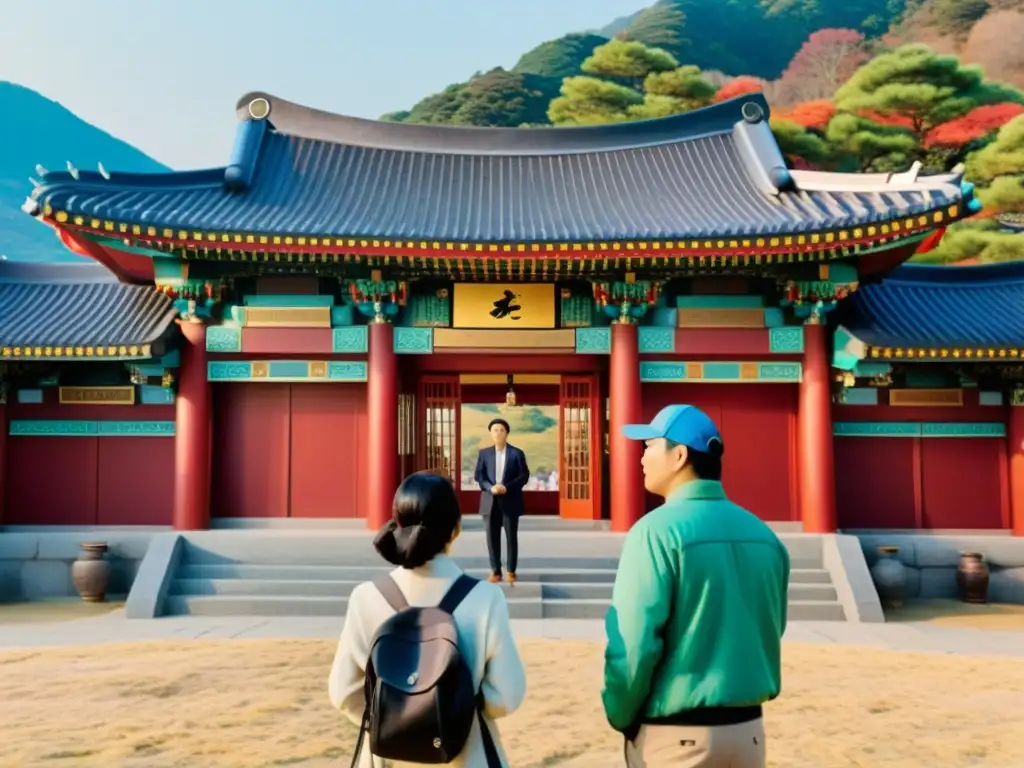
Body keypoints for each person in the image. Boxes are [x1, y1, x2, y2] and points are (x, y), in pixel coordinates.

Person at [602, 405, 790, 768]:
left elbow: (633, 643)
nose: (641, 457)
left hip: (677, 738)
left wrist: (620, 714)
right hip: (749, 733)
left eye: (650, 445)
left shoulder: (655, 532)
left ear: (679, 455)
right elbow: (771, 628)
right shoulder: (765, 537)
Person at [328, 472, 527, 767]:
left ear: (397, 525)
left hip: (387, 757)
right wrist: (451, 710)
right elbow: (506, 695)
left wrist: (396, 717)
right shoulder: (485, 598)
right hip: (466, 754)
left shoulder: (366, 597)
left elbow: (343, 691)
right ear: (456, 529)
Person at [473, 418, 530, 584]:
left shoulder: (516, 453)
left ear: (507, 433)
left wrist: (507, 487)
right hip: (489, 501)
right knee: (492, 538)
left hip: (510, 500)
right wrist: (490, 487)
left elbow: (524, 475)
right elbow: (479, 476)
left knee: (511, 538)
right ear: (491, 433)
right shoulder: (484, 453)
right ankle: (496, 571)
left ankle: (511, 570)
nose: (498, 433)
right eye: (495, 430)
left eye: (501, 430)